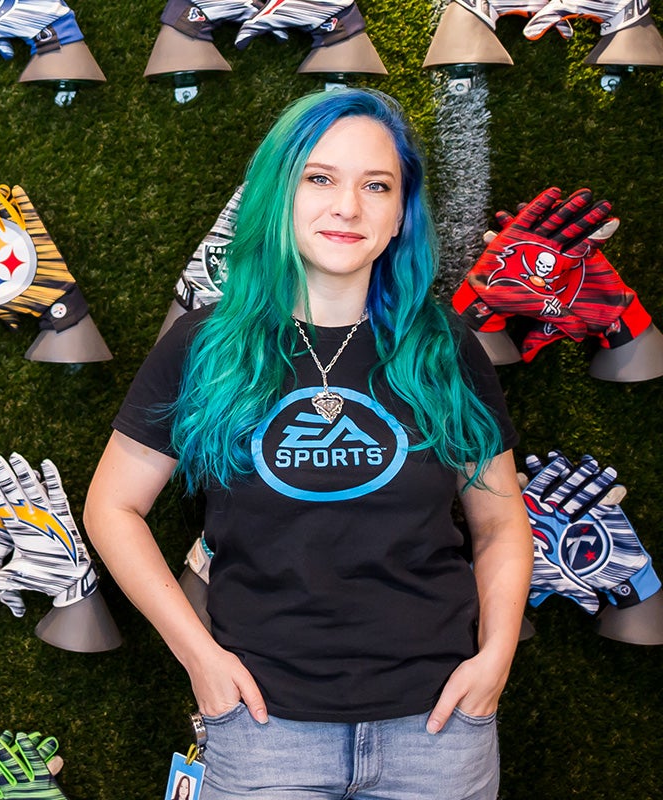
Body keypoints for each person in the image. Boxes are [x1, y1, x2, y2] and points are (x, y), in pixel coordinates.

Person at [84, 89, 532, 800]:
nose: (347, 207)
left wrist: (496, 659)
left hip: (438, 728)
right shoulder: (207, 345)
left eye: (376, 185)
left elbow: (502, 520)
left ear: (399, 217)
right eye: (319, 179)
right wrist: (199, 658)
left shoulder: (444, 348)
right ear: (278, 196)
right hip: (265, 730)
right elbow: (112, 507)